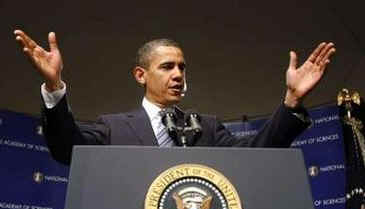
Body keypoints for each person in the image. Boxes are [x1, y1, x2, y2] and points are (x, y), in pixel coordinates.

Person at [13, 30, 336, 165]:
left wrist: (291, 100)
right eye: (167, 67)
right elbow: (66, 149)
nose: (178, 74)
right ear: (141, 75)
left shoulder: (207, 128)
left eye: (182, 67)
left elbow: (256, 156)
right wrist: (55, 86)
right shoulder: (112, 128)